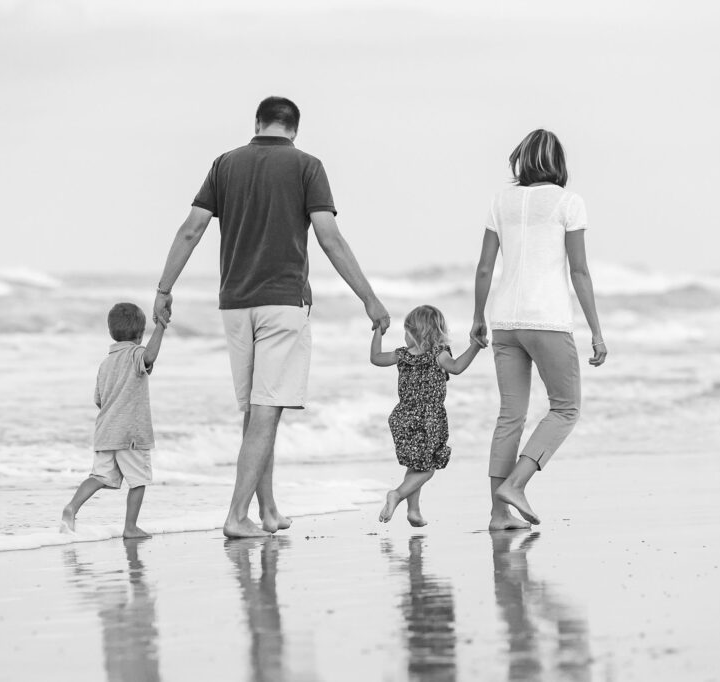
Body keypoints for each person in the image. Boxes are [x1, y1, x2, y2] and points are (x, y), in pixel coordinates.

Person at [153, 96, 390, 539]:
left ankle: (267, 509)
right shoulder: (307, 166)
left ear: (258, 123)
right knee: (266, 410)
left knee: (257, 411)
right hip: (282, 302)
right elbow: (330, 238)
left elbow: (191, 229)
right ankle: (236, 515)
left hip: (234, 303)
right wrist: (369, 298)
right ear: (294, 129)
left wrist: (164, 289)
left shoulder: (225, 164)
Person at [470, 129, 607, 531]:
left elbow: (485, 267)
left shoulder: (501, 201)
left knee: (509, 416)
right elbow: (579, 271)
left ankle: (498, 516)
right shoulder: (569, 202)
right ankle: (516, 485)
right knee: (566, 408)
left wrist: (478, 317)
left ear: (522, 160)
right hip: (547, 320)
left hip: (504, 322)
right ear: (558, 162)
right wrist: (597, 332)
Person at [61, 302, 166, 538]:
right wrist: (161, 326)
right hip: (130, 435)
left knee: (99, 477)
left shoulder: (105, 364)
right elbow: (149, 355)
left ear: (111, 332)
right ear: (140, 335)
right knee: (138, 480)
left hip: (105, 432)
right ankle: (130, 527)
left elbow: (99, 400)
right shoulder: (135, 354)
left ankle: (71, 508)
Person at [371, 305, 481, 526]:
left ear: (415, 333)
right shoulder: (438, 354)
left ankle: (414, 511)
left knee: (416, 464)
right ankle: (397, 494)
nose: (404, 336)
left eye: (406, 331)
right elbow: (457, 367)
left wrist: (378, 333)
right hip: (428, 419)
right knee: (428, 469)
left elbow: (376, 358)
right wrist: (475, 347)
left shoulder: (402, 355)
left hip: (403, 417)